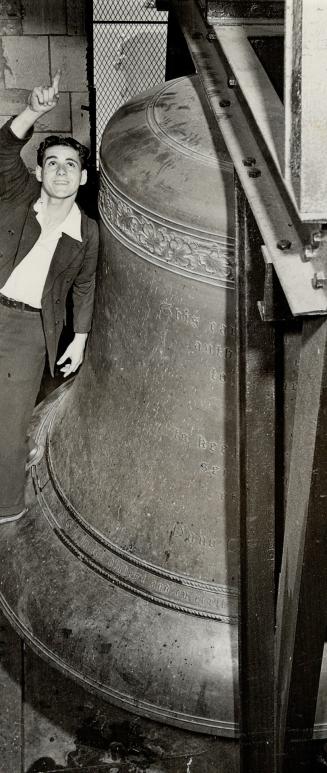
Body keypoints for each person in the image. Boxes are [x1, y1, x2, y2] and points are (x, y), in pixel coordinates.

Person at [0, 71, 99, 524]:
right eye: (53, 163)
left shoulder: (86, 233)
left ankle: (6, 507)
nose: (61, 171)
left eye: (71, 165)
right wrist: (34, 112)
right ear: (40, 172)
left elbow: (85, 284)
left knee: (9, 422)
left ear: (82, 178)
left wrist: (78, 339)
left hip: (27, 333)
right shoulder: (19, 197)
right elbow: (2, 151)